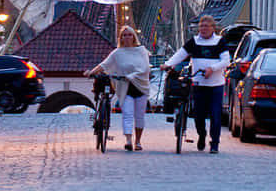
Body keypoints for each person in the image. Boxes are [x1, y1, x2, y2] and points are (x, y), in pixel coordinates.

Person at [160, 14, 229, 154]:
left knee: (216, 115)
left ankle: (214, 143)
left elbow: (226, 61)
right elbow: (181, 54)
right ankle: (202, 135)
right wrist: (167, 64)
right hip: (199, 83)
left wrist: (213, 68)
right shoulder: (194, 42)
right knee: (198, 115)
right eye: (201, 26)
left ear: (212, 28)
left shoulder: (220, 41)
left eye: (206, 26)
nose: (203, 29)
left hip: (215, 85)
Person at [84, 25, 151, 151]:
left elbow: (145, 68)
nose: (127, 37)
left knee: (139, 116)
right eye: (124, 35)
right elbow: (104, 64)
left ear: (133, 36)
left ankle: (138, 141)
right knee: (127, 114)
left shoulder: (141, 51)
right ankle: (128, 140)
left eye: (129, 34)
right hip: (125, 87)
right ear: (120, 38)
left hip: (140, 87)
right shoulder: (117, 53)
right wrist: (91, 72)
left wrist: (131, 76)